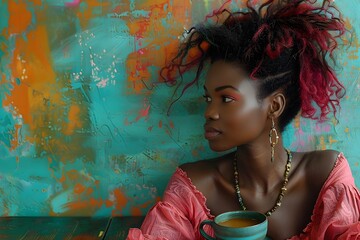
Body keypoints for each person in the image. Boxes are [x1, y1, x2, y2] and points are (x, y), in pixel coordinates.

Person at [127, 0, 360, 239]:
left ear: (275, 106)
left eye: (226, 99)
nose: (209, 112)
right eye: (208, 98)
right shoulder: (192, 188)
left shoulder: (327, 178)